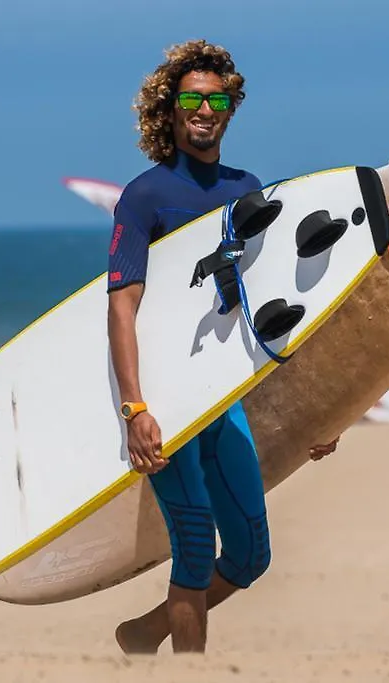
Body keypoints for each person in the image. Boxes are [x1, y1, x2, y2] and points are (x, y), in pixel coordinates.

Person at [105, 39, 340, 655]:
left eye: (216, 98)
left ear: (231, 107)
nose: (204, 109)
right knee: (191, 542)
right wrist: (134, 408)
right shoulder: (145, 197)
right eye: (191, 98)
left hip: (221, 399)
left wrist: (308, 413)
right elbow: (121, 305)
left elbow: (261, 315)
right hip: (167, 397)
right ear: (171, 108)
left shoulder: (248, 190)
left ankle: (142, 634)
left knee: (251, 555)